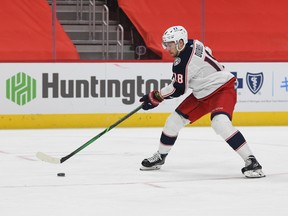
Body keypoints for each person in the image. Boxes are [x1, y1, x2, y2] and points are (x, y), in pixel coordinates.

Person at [139, 26, 265, 178]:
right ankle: (160, 156)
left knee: (220, 123)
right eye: (166, 44)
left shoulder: (182, 62)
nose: (167, 48)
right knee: (173, 122)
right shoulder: (193, 43)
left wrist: (156, 97)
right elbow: (208, 51)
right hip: (201, 93)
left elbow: (178, 89)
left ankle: (252, 162)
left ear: (180, 42)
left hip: (222, 89)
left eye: (170, 44)